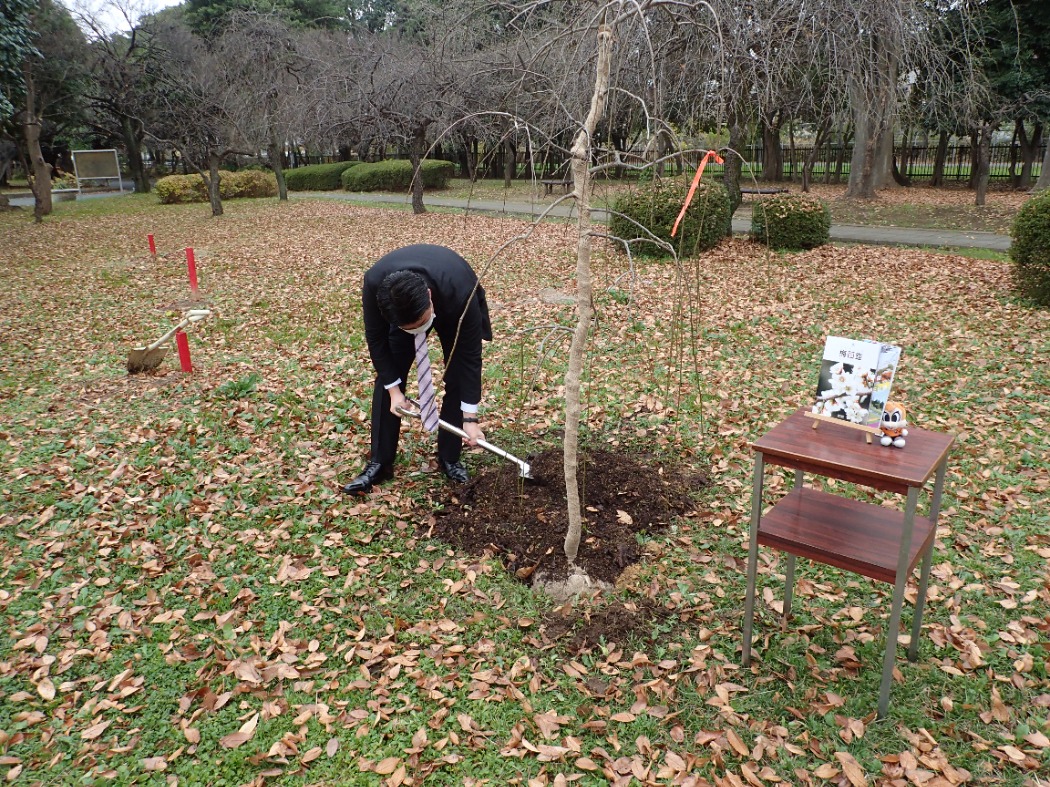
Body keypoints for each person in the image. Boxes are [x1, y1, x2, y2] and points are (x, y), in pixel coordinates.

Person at [342, 244, 492, 495]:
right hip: (407, 310)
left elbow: (469, 359)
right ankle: (380, 462)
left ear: (430, 298)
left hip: (452, 304)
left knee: (456, 375)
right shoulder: (375, 284)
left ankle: (450, 457)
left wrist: (470, 419)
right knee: (389, 376)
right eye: (410, 328)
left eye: (420, 324)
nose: (417, 332)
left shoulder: (461, 293)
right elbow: (376, 340)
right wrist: (394, 391)